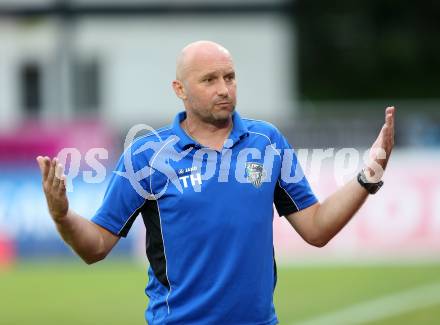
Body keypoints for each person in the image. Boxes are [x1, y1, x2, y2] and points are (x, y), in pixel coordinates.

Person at [36, 40, 395, 325]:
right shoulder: (146, 156)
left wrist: (369, 175)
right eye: (209, 80)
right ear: (179, 88)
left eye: (230, 77)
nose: (224, 88)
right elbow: (95, 246)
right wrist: (63, 216)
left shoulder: (266, 142)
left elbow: (316, 228)